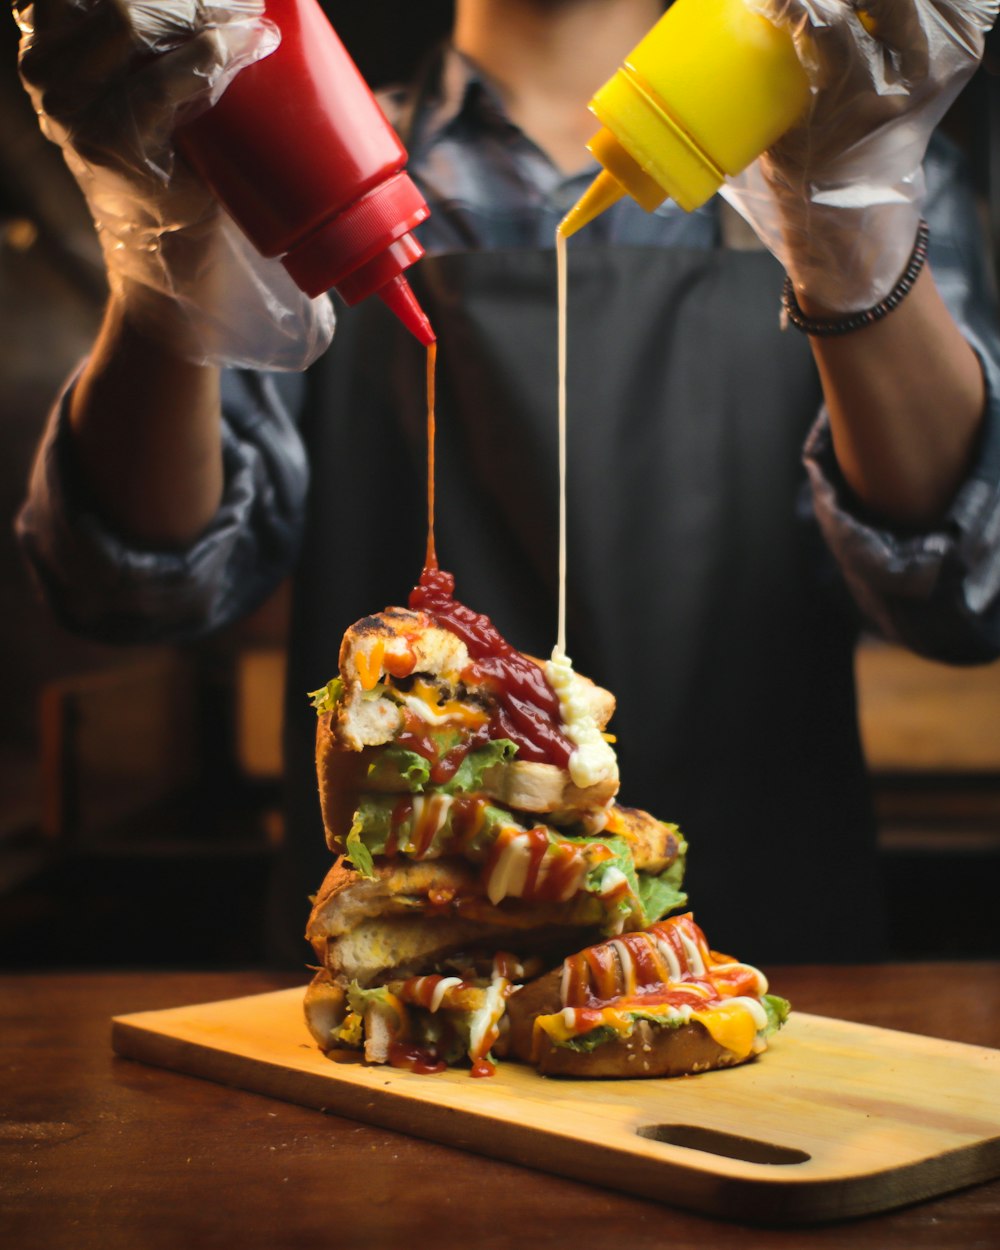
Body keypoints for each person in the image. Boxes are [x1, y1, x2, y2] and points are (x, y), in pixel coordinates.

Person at [14, 0, 1000, 965]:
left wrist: (853, 242)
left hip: (780, 967)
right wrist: (167, 257)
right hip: (393, 989)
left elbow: (965, 585)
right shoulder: (252, 136)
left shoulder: (850, 136)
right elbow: (138, 587)